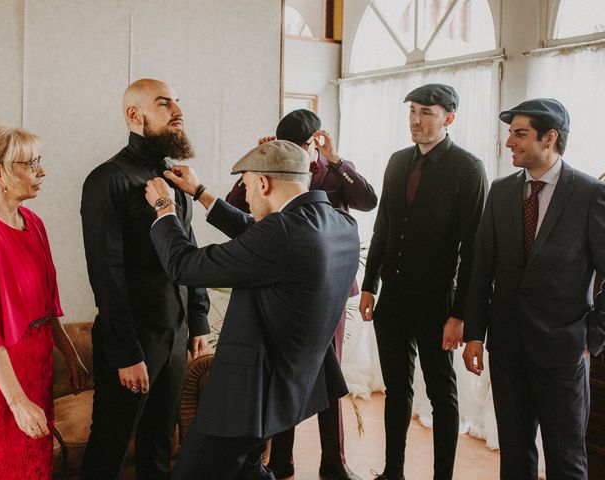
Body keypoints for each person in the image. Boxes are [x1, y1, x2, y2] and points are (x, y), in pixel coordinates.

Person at [144, 139, 360, 480]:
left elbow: (183, 265)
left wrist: (163, 208)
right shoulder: (340, 225)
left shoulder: (283, 233)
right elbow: (259, 236)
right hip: (289, 387)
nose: (245, 196)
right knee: (247, 470)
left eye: (245, 186)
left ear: (263, 183)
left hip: (246, 396)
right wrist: (200, 192)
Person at [226, 108, 376, 480]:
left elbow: (368, 200)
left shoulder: (335, 168)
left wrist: (337, 158)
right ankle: (281, 460)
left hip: (328, 288)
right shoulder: (273, 166)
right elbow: (234, 206)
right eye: (286, 146)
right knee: (286, 372)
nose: (294, 153)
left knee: (329, 372)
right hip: (283, 286)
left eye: (301, 146)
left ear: (316, 142)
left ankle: (333, 461)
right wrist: (256, 158)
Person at [462, 98, 605, 480]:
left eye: (519, 134)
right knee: (514, 456)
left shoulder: (590, 193)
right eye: (510, 133)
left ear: (550, 137)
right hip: (507, 348)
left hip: (563, 350)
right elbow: (482, 267)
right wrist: (475, 333)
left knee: (566, 459)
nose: (509, 142)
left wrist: (592, 335)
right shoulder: (501, 190)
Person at [80, 78, 210, 479]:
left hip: (175, 335)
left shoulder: (176, 179)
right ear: (134, 115)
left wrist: (198, 319)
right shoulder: (107, 179)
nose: (178, 110)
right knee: (110, 447)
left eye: (178, 102)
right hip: (132, 342)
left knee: (159, 446)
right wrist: (125, 352)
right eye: (165, 103)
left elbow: (189, 251)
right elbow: (107, 273)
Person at [358, 84, 488, 480]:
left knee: (441, 393)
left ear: (448, 118)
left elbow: (475, 250)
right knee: (397, 391)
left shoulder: (468, 168)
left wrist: (459, 313)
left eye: (426, 112)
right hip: (392, 299)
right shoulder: (397, 161)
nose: (416, 119)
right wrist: (369, 284)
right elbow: (383, 227)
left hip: (437, 302)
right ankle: (392, 472)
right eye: (413, 110)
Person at [0, 122, 87, 479]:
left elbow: (46, 302)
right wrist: (17, 402)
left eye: (40, 161)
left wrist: (68, 349)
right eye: (31, 164)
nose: (42, 171)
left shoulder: (32, 221)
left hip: (37, 362)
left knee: (34, 463)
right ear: (0, 173)